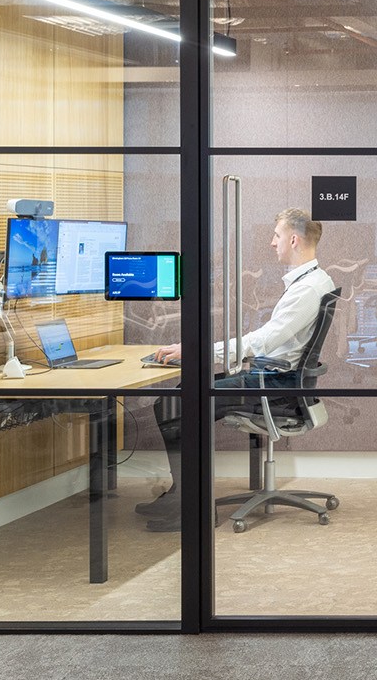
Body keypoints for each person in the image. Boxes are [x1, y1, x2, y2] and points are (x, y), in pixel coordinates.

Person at [137, 207, 337, 532]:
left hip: (272, 385)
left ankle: (188, 504)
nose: (273, 243)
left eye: (277, 236)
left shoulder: (307, 289)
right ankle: (180, 495)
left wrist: (197, 351)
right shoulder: (313, 280)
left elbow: (266, 339)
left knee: (175, 404)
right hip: (274, 377)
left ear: (294, 239)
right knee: (176, 397)